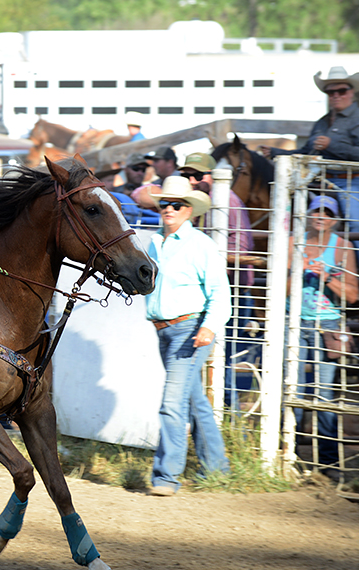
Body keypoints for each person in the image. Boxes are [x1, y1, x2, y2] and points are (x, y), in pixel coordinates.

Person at [143, 175, 232, 496]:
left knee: (171, 404)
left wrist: (209, 327)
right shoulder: (153, 241)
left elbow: (221, 293)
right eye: (165, 203)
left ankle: (166, 477)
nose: (169, 208)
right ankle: (217, 468)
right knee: (193, 402)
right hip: (165, 331)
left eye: (176, 204)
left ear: (190, 210)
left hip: (190, 330)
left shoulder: (201, 245)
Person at [261, 66, 359, 268]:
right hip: (324, 181)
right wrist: (276, 153)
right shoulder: (322, 122)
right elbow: (307, 151)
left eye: (341, 91)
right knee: (294, 213)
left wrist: (331, 144)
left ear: (351, 92)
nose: (336, 96)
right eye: (331, 92)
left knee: (358, 226)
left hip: (355, 181)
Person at [287, 195, 359, 476]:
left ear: (336, 219)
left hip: (328, 325)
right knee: (289, 387)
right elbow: (280, 288)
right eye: (315, 210)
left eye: (327, 211)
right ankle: (286, 454)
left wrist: (327, 277)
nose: (320, 215)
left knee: (323, 393)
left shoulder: (343, 247)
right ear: (307, 215)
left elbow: (352, 295)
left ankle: (329, 462)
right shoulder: (295, 243)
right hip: (292, 322)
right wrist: (299, 271)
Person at [179, 152, 258, 408]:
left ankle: (229, 417)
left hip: (232, 290)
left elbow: (243, 250)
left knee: (223, 360)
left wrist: (204, 257)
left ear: (211, 176)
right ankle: (219, 417)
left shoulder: (228, 202)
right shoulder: (199, 202)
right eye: (186, 175)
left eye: (197, 175)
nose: (191, 180)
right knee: (213, 360)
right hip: (212, 290)